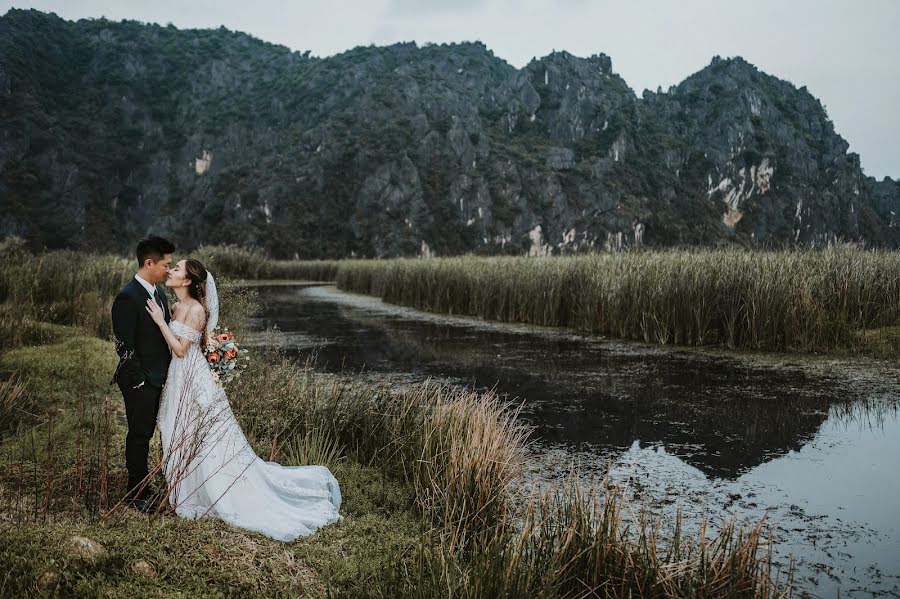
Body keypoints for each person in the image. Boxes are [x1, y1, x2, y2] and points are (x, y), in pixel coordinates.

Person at [145, 258, 341, 541]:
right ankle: (184, 487)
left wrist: (160, 322)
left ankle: (216, 492)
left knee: (207, 436)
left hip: (192, 376)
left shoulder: (197, 310)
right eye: (172, 267)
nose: (172, 271)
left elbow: (179, 349)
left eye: (177, 269)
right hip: (178, 377)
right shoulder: (175, 307)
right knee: (181, 429)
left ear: (187, 280)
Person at [111, 236, 175, 512]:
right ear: (149, 262)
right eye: (166, 264)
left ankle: (147, 484)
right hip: (141, 381)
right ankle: (135, 493)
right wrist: (139, 380)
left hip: (161, 376)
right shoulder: (128, 297)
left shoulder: (159, 293)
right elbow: (124, 345)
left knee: (150, 432)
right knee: (139, 434)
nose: (169, 270)